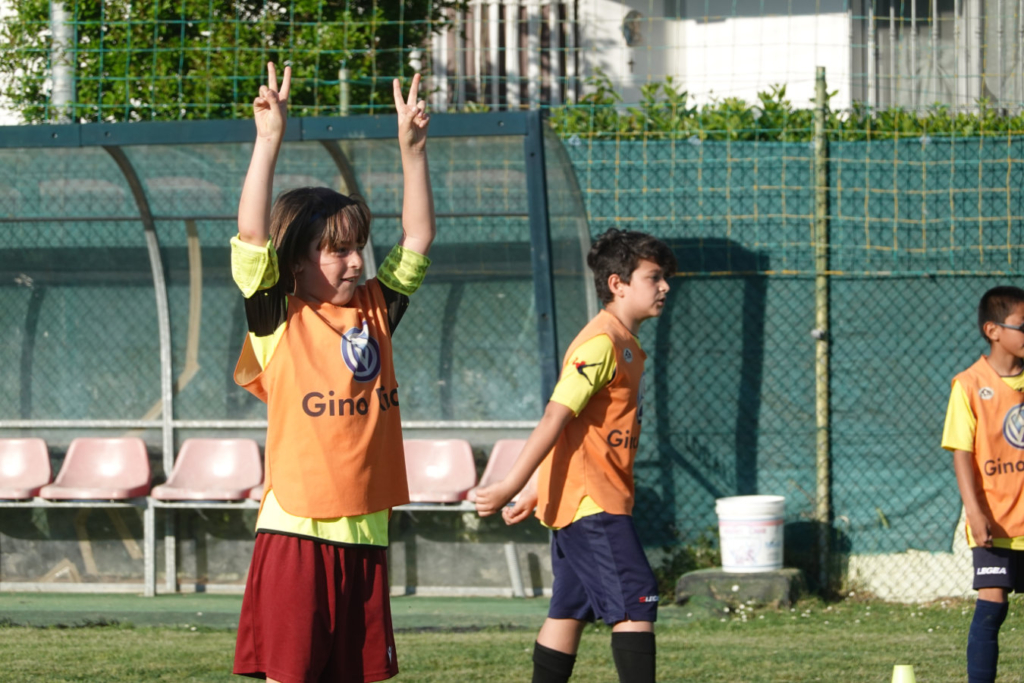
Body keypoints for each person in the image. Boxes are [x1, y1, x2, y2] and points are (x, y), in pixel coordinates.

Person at [230, 62, 434, 683]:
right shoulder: (277, 319)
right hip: (296, 530)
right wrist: (269, 141)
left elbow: (419, 237)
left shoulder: (377, 309)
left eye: (357, 249)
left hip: (366, 529)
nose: (354, 262)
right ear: (296, 262)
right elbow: (251, 233)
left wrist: (413, 152)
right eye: (337, 249)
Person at [475, 228, 676, 683]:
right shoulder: (601, 343)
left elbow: (576, 432)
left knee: (570, 609)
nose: (665, 287)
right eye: (654, 277)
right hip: (594, 505)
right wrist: (509, 483)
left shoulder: (627, 344)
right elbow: (554, 418)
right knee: (636, 600)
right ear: (617, 284)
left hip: (585, 500)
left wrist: (534, 488)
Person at [943, 285, 1024, 683]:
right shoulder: (969, 385)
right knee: (992, 607)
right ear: (993, 330)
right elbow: (961, 453)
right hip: (995, 521)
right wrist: (975, 513)